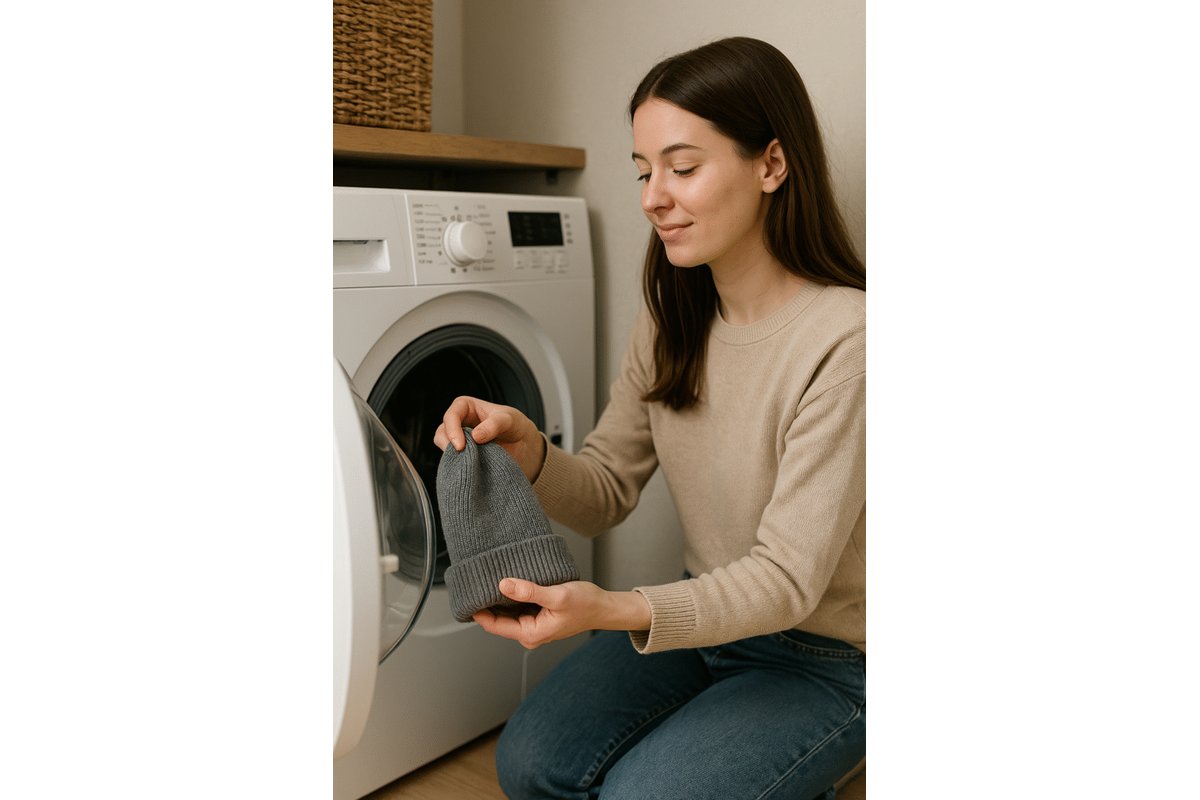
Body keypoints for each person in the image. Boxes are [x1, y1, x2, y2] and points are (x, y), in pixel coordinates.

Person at [434, 36, 865, 800]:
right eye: (643, 172)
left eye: (683, 167)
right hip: (708, 624)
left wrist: (612, 608)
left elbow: (789, 582)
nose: (651, 197)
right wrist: (529, 448)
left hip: (831, 658)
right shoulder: (672, 317)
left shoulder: (849, 342)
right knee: (530, 765)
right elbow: (604, 491)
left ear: (771, 164)